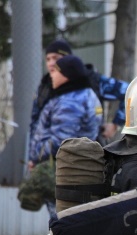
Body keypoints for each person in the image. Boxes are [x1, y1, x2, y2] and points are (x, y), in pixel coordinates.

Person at [28, 54, 103, 217]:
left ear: (67, 75)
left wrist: (36, 158)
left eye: (55, 71)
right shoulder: (85, 94)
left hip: (61, 169)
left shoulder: (70, 102)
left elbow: (60, 141)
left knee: (61, 220)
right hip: (75, 167)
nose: (51, 74)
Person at [29, 39, 128, 147]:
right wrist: (32, 153)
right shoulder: (45, 87)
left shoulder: (91, 80)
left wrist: (115, 124)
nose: (51, 63)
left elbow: (129, 91)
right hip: (50, 153)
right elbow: (35, 122)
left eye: (56, 58)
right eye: (48, 59)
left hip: (88, 150)